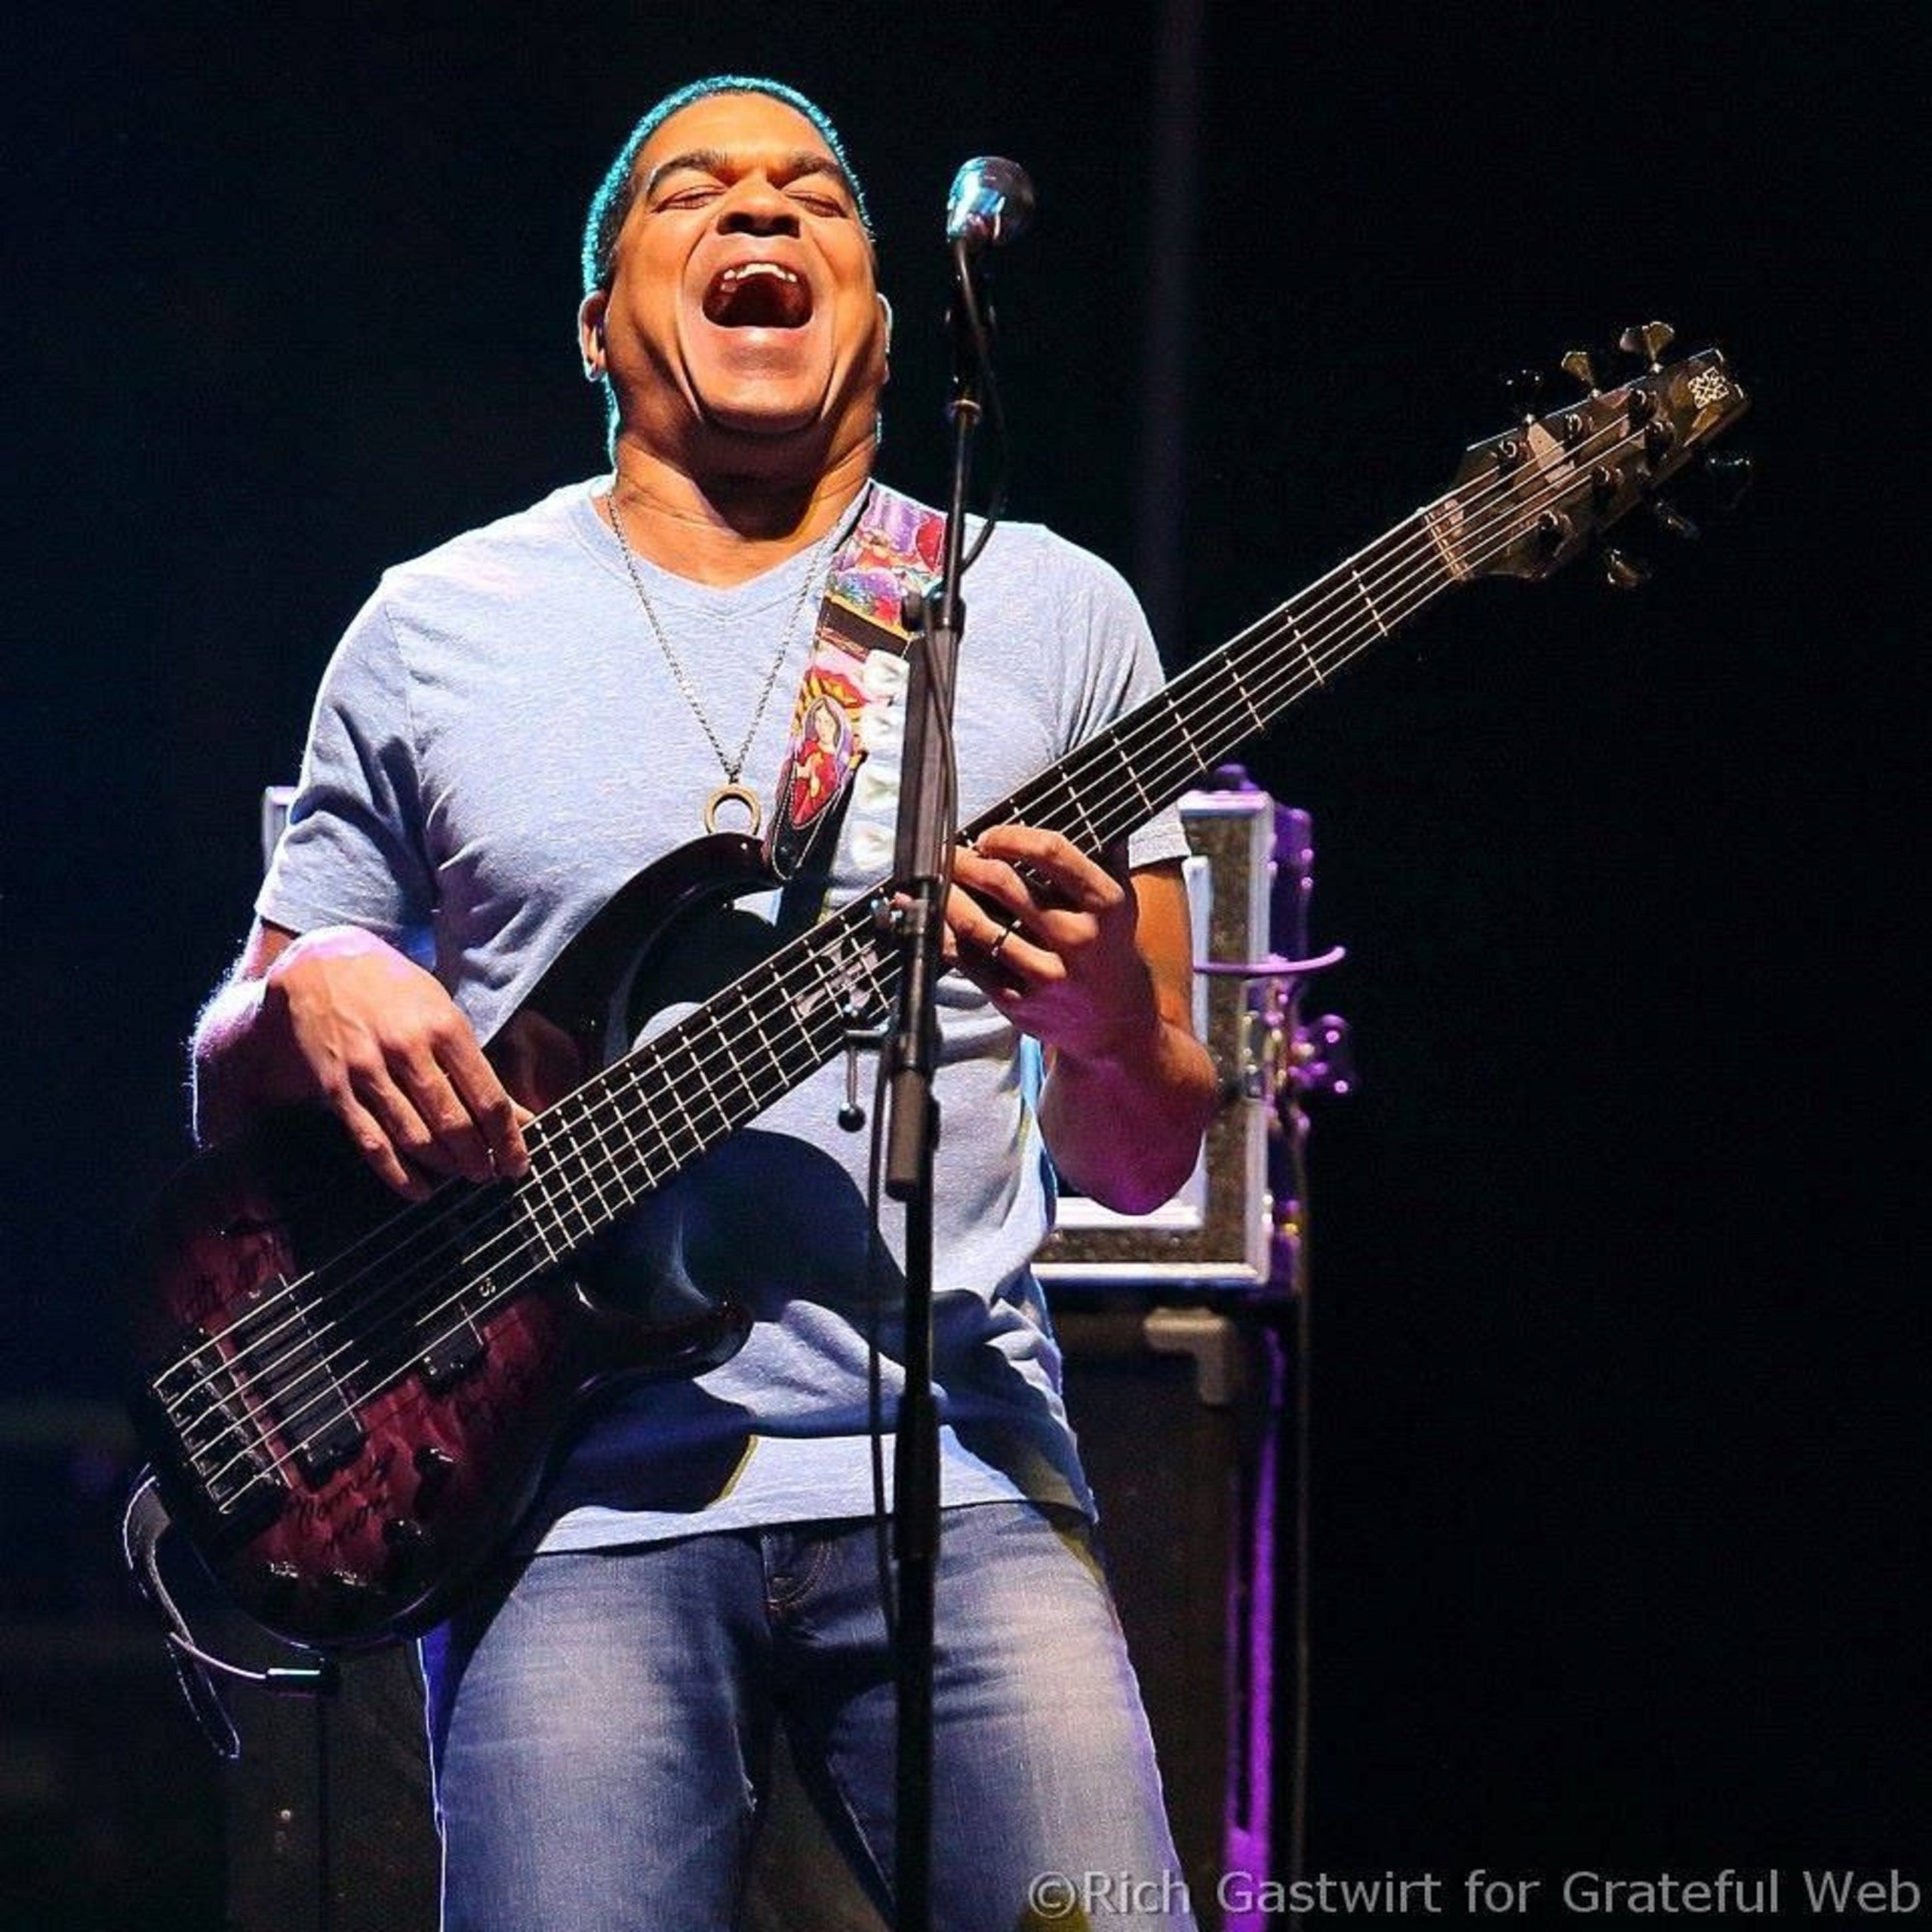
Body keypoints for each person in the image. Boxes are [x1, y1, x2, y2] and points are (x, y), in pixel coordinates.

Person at [191, 74, 1217, 1931]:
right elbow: (232, 1082)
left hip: (964, 1472)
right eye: (695, 191)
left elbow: (1146, 1157)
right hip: (560, 1496)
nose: (762, 210)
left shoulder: (1053, 612)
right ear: (599, 324)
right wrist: (313, 984)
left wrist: (1100, 1027)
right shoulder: (434, 626)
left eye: (814, 195)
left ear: (882, 328)